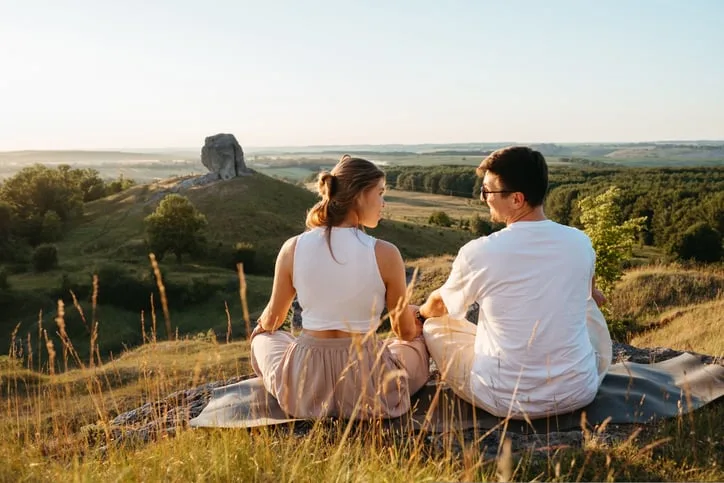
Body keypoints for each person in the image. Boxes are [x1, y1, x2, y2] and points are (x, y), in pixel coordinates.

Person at [414, 146, 612, 419]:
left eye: (487, 191)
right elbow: (593, 296)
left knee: (436, 326)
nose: (483, 198)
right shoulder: (581, 242)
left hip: (504, 399)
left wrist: (419, 314)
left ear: (517, 199)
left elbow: (439, 306)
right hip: (579, 391)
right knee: (589, 309)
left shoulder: (480, 252)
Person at [249, 155, 430, 419]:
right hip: (368, 387)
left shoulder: (293, 247)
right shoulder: (386, 253)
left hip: (304, 388)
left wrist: (262, 332)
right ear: (359, 196)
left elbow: (272, 319)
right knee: (418, 343)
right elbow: (403, 331)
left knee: (266, 339)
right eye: (379, 193)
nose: (383, 202)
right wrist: (418, 321)